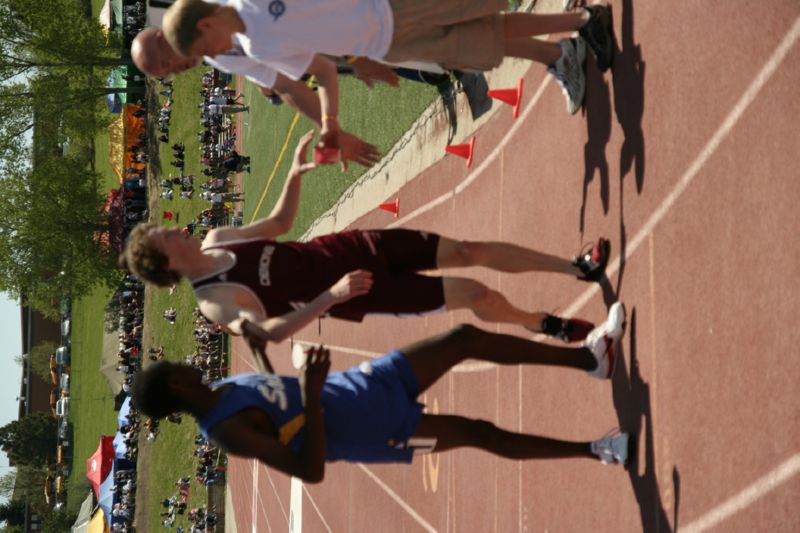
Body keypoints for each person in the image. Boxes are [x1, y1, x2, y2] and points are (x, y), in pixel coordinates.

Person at [122, 131, 612, 344]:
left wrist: (295, 172)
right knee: (474, 293)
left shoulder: (216, 237)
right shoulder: (215, 303)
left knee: (467, 251)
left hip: (350, 248)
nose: (172, 228)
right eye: (165, 235)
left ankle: (576, 266)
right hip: (357, 291)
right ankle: (539, 323)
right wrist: (329, 298)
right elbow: (271, 333)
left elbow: (277, 227)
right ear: (167, 263)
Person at [131, 309, 630, 483]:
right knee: (480, 432)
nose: (185, 363)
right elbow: (309, 471)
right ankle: (596, 450)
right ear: (176, 386)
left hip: (366, 384)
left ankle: (591, 360)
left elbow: (273, 396)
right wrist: (309, 388)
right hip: (379, 432)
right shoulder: (229, 433)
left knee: (461, 339)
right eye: (176, 367)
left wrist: (264, 354)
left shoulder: (218, 389)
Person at [162, 0, 614, 141]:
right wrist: (364, 63)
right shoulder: (253, 45)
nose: (213, 55)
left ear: (206, 24)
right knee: (481, 38)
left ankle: (578, 28)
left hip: (389, 4)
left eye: (206, 46)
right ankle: (574, 33)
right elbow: (320, 61)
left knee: (479, 7)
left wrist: (333, 121)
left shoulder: (255, 16)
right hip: (386, 42)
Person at [131, 26, 383, 171]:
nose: (178, 71)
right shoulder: (219, 58)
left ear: (163, 37)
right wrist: (330, 128)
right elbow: (287, 87)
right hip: (356, 44)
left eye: (168, 63)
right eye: (170, 74)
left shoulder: (217, 13)